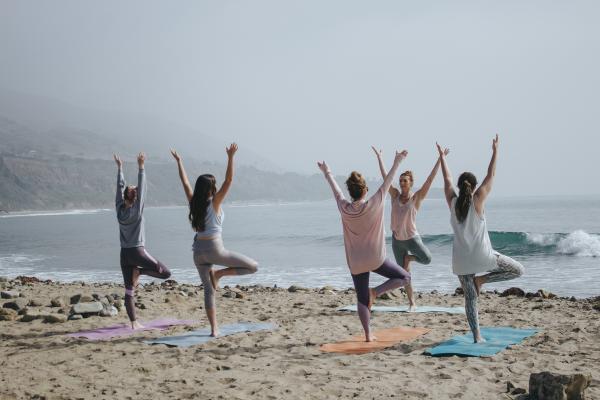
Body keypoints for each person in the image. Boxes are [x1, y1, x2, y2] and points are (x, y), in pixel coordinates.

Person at [437, 135, 524, 343]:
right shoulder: (479, 199)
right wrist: (495, 151)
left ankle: (477, 336)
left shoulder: (452, 202)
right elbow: (491, 174)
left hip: (461, 262)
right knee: (519, 270)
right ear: (474, 187)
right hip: (484, 257)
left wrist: (442, 158)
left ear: (460, 187)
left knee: (470, 299)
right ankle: (482, 279)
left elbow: (447, 180)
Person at [318, 150, 411, 342]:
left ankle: (368, 335)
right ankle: (375, 292)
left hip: (356, 262)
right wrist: (398, 161)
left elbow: (335, 190)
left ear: (351, 192)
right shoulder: (374, 203)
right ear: (365, 190)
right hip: (376, 258)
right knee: (405, 277)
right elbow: (388, 181)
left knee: (361, 299)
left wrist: (327, 172)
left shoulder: (344, 207)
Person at [171, 144, 258, 337]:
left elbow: (185, 182)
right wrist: (230, 157)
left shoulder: (194, 202)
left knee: (208, 292)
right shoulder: (215, 202)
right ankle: (219, 274)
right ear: (211, 188)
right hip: (214, 249)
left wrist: (179, 162)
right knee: (253, 267)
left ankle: (214, 329)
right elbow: (229, 180)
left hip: (197, 252)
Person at [372, 146, 449, 311]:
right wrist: (380, 157)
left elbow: (430, 179)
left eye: (405, 180)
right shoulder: (394, 195)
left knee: (427, 259)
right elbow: (387, 177)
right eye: (400, 180)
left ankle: (410, 259)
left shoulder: (417, 198)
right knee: (404, 276)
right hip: (397, 241)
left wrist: (440, 158)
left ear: (411, 183)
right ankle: (412, 303)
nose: (401, 183)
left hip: (413, 239)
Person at [114, 152, 172, 329]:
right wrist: (141, 167)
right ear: (134, 196)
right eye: (135, 190)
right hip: (138, 252)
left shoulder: (119, 208)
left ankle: (134, 323)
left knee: (129, 290)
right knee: (165, 273)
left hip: (124, 254)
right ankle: (141, 273)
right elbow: (143, 187)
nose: (136, 190)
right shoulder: (137, 209)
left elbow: (119, 188)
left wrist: (120, 169)